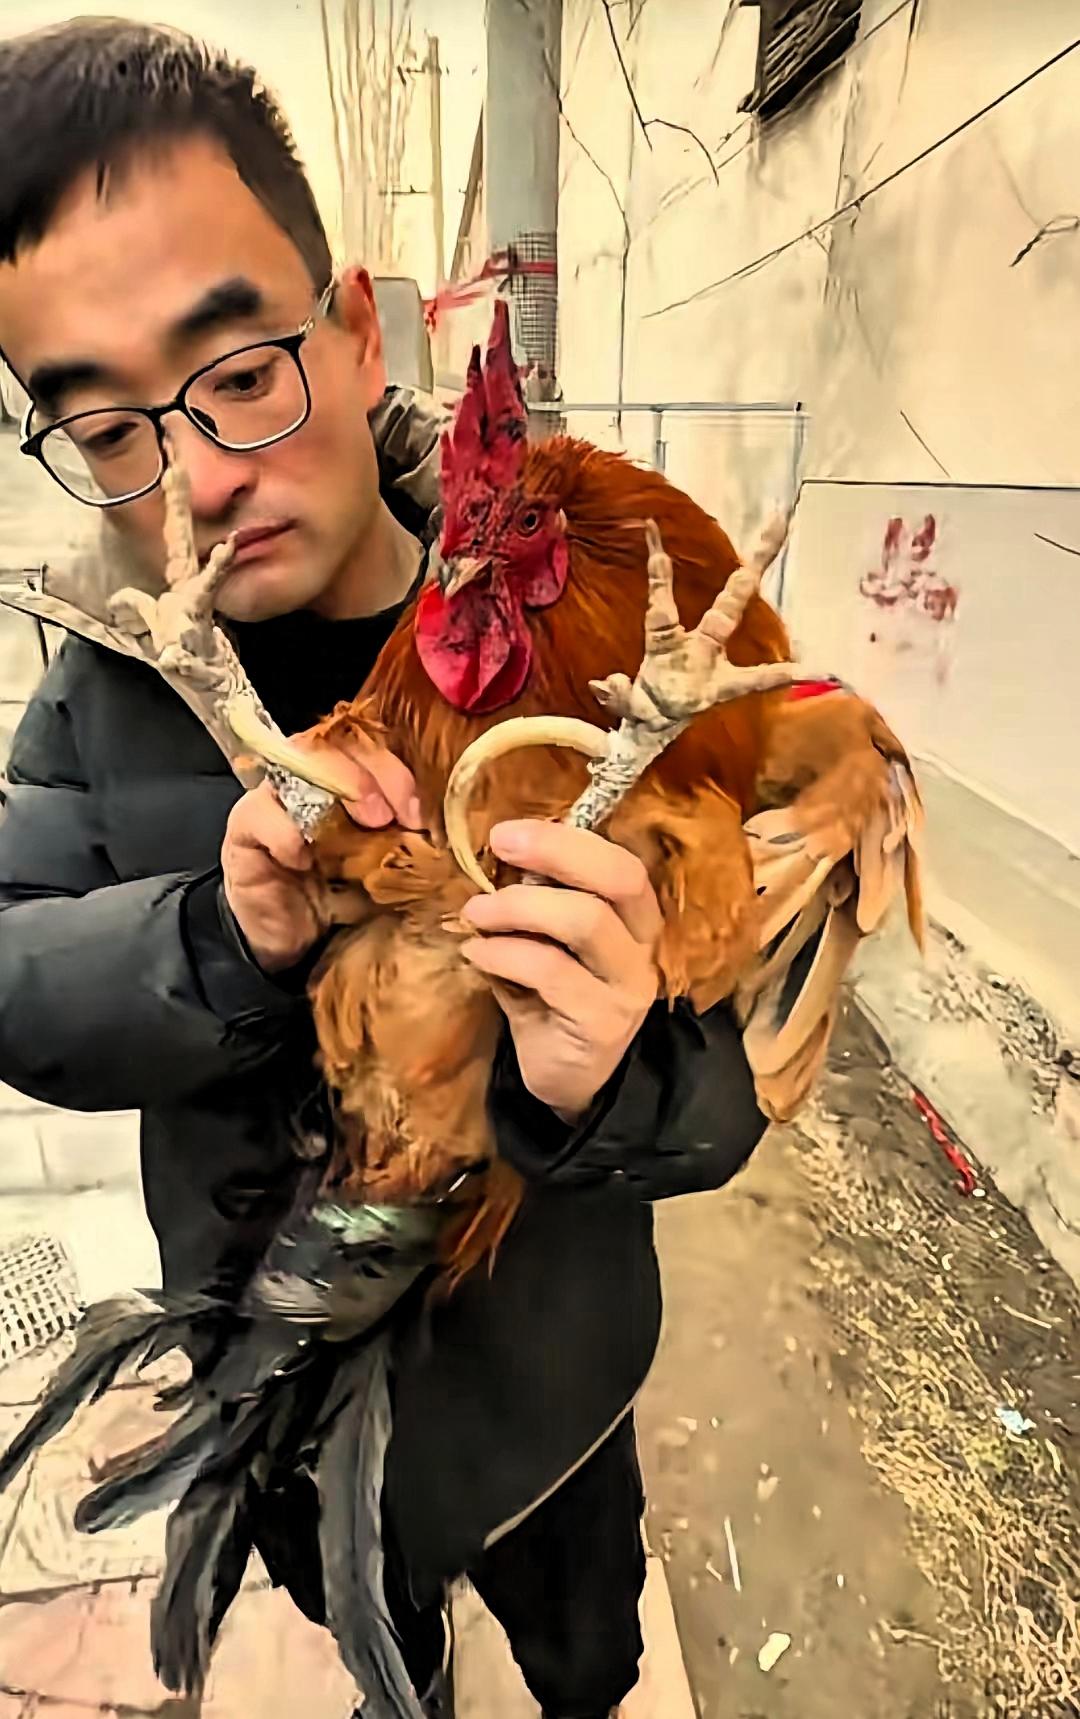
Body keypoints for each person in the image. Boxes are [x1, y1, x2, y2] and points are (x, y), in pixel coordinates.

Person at [0, 21, 768, 1718]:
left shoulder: (593, 666)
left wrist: (611, 1071)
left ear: (355, 332)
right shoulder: (100, 701)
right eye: (106, 427)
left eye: (239, 370)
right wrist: (221, 935)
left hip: (551, 1374)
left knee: (588, 1650)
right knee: (378, 1641)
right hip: (277, 1350)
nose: (200, 479)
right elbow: (15, 982)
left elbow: (730, 1097)